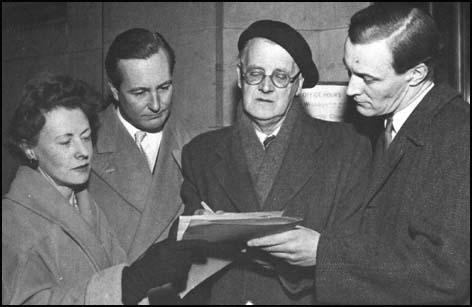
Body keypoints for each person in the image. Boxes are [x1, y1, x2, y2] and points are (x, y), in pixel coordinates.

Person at [248, 5, 470, 304]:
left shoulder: (458, 134)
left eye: (368, 78)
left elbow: (445, 273)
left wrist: (322, 251)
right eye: (349, 71)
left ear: (416, 74)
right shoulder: (389, 122)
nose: (351, 89)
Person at [180, 20, 372, 304]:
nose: (266, 87)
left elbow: (358, 256)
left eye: (281, 76)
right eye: (255, 73)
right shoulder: (200, 153)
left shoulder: (348, 149)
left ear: (299, 85)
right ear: (239, 76)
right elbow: (186, 260)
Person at [2, 73, 204, 304]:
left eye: (86, 137)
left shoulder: (84, 203)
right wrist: (132, 281)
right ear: (28, 149)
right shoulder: (12, 221)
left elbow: (121, 275)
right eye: (65, 142)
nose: (83, 151)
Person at [88, 28, 197, 263]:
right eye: (140, 92)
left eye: (164, 87)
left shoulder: (196, 147)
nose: (156, 105)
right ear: (115, 91)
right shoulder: (84, 146)